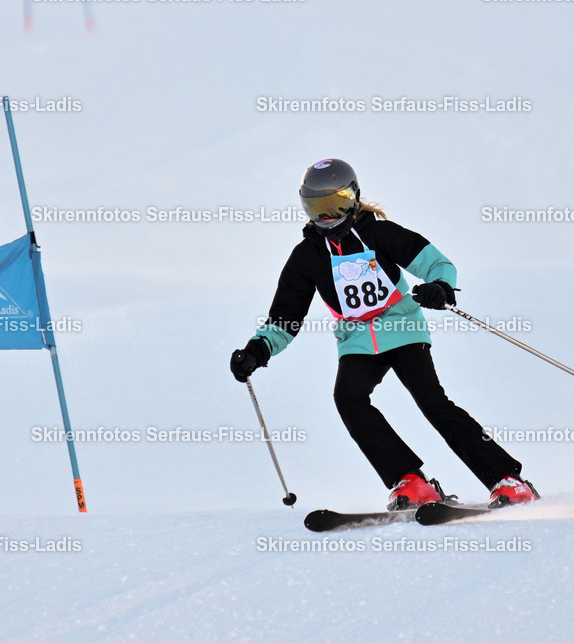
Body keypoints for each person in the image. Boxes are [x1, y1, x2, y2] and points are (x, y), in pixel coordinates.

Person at [230, 159, 539, 510]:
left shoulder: (380, 234)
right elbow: (285, 317)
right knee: (349, 399)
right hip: (357, 341)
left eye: (336, 206)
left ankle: (507, 479)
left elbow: (439, 264)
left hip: (403, 330)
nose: (327, 218)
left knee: (432, 403)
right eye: (317, 209)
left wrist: (440, 287)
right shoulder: (307, 256)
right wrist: (258, 350)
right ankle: (410, 480)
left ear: (353, 199)